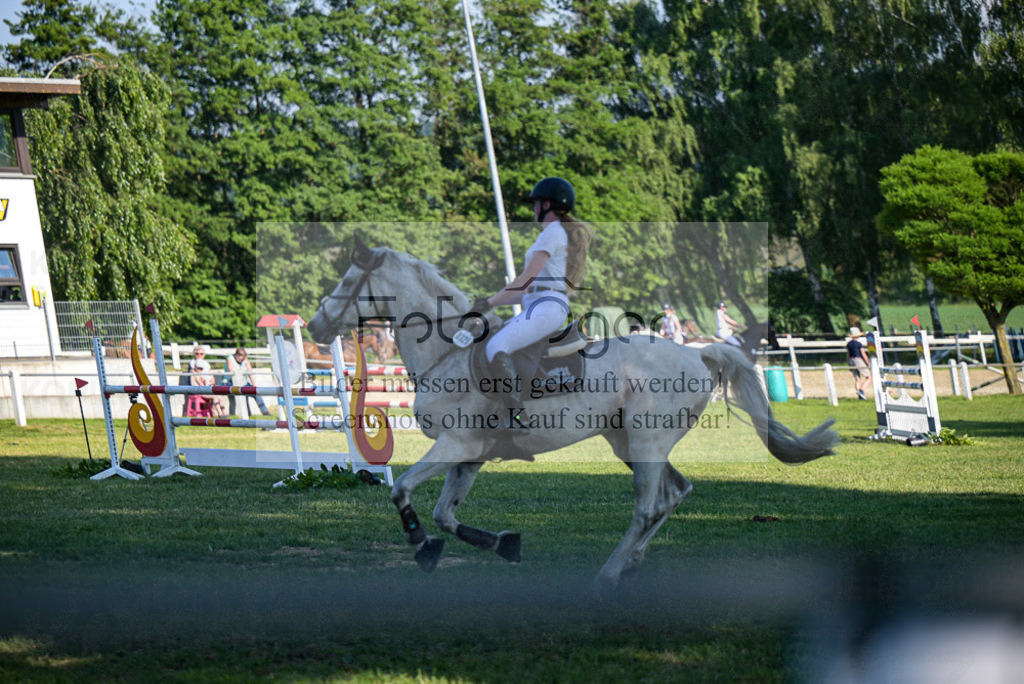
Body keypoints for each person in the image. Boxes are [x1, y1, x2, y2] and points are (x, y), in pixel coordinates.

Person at [471, 176, 594, 427]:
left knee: (496, 346)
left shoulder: (553, 233)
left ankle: (517, 417)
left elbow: (525, 279)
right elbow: (524, 291)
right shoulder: (554, 233)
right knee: (498, 342)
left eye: (535, 203)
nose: (533, 209)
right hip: (539, 303)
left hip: (547, 307)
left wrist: (488, 302)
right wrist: (490, 302)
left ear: (546, 204)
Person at [225, 347, 271, 416]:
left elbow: (250, 373)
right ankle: (233, 415)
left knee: (256, 394)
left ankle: (265, 412)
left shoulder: (245, 360)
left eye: (244, 358)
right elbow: (231, 370)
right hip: (231, 382)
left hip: (244, 382)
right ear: (236, 355)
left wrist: (254, 385)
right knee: (233, 400)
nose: (242, 359)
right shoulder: (230, 358)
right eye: (241, 357)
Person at [187, 345, 224, 417]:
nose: (199, 355)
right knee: (215, 397)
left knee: (220, 396)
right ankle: (220, 413)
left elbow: (211, 377)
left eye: (201, 354)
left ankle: (223, 412)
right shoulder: (193, 363)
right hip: (199, 389)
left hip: (207, 387)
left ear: (204, 355)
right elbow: (194, 375)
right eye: (197, 353)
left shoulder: (206, 364)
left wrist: (211, 383)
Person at [846, 326, 872, 400]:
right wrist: (868, 362)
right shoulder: (859, 344)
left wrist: (849, 364)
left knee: (857, 379)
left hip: (851, 360)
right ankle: (861, 390)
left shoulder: (848, 344)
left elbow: (847, 354)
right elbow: (863, 354)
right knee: (869, 377)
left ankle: (860, 396)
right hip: (858, 360)